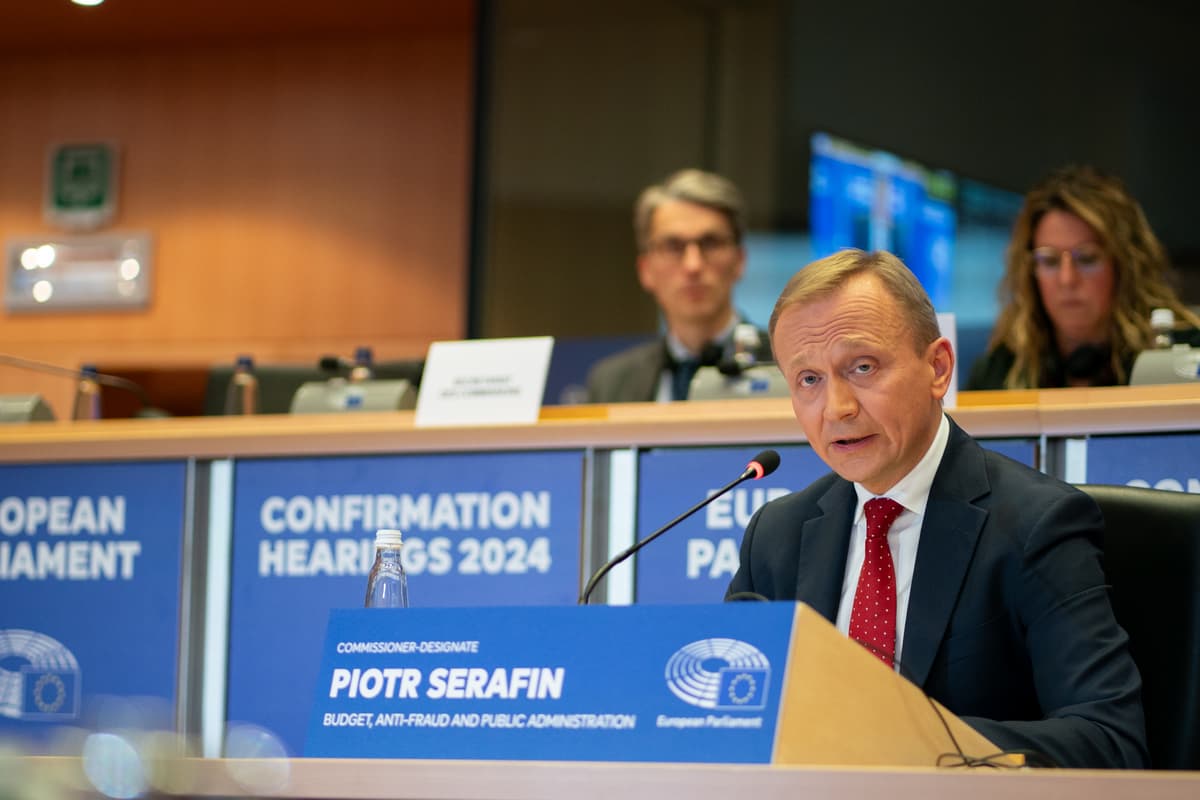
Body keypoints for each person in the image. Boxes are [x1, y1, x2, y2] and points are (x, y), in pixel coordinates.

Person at [727, 248, 1147, 769]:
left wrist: (909, 741)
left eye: (862, 367)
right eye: (809, 380)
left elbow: (1109, 739)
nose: (837, 408)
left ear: (938, 368)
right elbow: (729, 721)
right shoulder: (777, 535)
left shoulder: (1037, 524)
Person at [968, 165, 1200, 389]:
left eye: (1087, 259)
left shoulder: (1187, 358)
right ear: (1030, 271)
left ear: (1124, 265)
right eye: (1050, 261)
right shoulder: (999, 371)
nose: (1067, 279)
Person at [585, 168, 772, 403]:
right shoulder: (610, 382)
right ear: (645, 270)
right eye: (673, 246)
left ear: (739, 261)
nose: (692, 265)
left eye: (710, 243)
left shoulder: (786, 366)